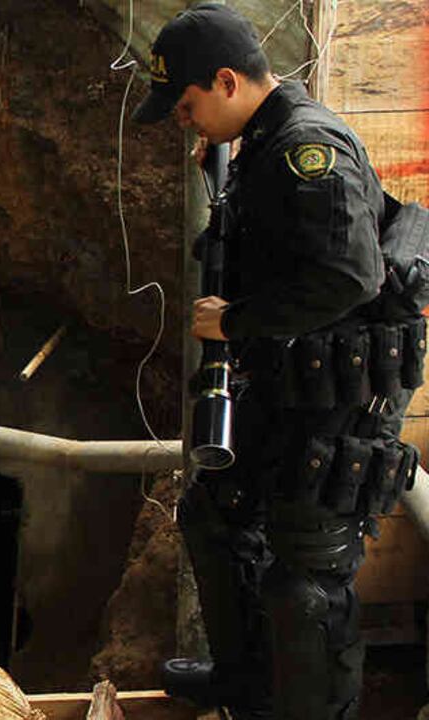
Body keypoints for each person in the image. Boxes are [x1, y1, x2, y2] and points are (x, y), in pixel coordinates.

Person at [132, 4, 423, 719]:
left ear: (227, 82)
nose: (184, 119)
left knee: (306, 584)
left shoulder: (306, 151)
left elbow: (349, 279)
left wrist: (234, 321)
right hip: (287, 382)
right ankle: (246, 684)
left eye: (189, 104)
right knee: (214, 516)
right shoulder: (263, 143)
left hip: (338, 400)